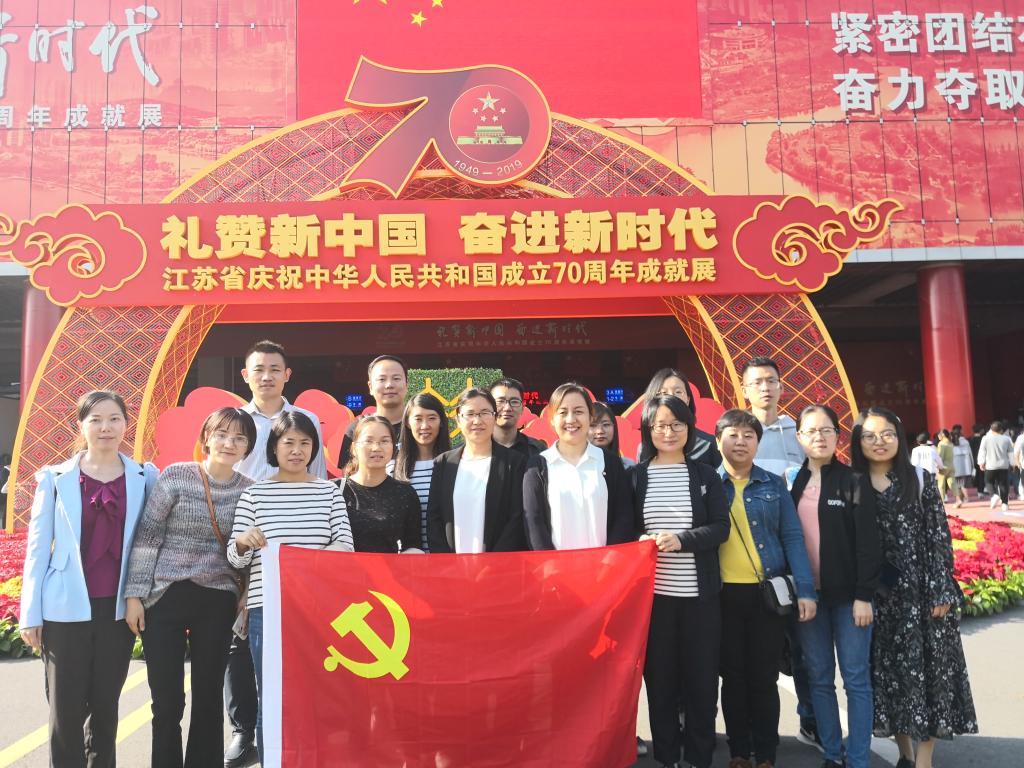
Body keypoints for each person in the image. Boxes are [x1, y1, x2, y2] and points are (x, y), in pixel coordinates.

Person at [19, 390, 159, 767]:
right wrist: (29, 614)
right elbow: (37, 549)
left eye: (114, 419)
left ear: (126, 424)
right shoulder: (55, 478)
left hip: (118, 609)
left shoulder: (145, 476)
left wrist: (142, 596)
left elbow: (152, 541)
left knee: (105, 705)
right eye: (95, 419)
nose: (105, 427)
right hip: (63, 609)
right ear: (81, 426)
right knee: (65, 709)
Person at [124, 407, 257, 768]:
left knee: (209, 696)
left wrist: (246, 594)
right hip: (165, 596)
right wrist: (134, 595)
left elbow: (249, 553)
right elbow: (148, 537)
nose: (229, 443)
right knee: (166, 701)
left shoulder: (250, 491)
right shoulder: (177, 476)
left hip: (217, 600)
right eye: (222, 434)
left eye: (239, 438)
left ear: (247, 447)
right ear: (206, 438)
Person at [850, 407, 977, 768]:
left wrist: (941, 589)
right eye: (869, 436)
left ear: (899, 438)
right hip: (879, 598)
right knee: (889, 678)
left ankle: (924, 758)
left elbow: (939, 537)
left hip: (922, 595)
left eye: (887, 434)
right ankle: (905, 753)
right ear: (858, 442)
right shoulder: (852, 483)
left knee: (932, 677)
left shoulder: (919, 480)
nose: (879, 442)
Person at [227, 410, 354, 762]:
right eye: (289, 443)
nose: (297, 451)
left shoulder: (329, 492)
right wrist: (243, 542)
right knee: (272, 694)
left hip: (318, 611)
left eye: (305, 443)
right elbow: (235, 559)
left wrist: (302, 563)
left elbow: (345, 546)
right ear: (274, 447)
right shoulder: (254, 495)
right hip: (266, 611)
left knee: (319, 692)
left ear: (314, 449)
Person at [226, 339, 327, 767]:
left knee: (301, 660)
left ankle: (302, 741)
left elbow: (317, 478)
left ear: (287, 375)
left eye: (274, 369)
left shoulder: (307, 421)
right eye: (258, 369)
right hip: (245, 536)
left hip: (297, 552)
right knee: (240, 642)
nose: (266, 376)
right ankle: (243, 729)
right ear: (245, 375)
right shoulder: (235, 420)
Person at [631, 394, 729, 768]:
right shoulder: (636, 476)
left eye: (677, 424)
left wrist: (682, 540)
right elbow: (624, 530)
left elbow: (720, 527)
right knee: (661, 685)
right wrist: (640, 540)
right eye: (660, 425)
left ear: (689, 428)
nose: (669, 432)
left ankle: (700, 757)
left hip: (701, 600)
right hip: (654, 602)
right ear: (648, 429)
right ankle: (668, 757)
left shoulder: (705, 475)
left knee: (702, 685)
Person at [715, 409, 816, 768]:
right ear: (718, 440)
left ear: (758, 442)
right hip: (721, 596)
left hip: (767, 596)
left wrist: (806, 589)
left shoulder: (773, 485)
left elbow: (792, 537)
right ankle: (739, 752)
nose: (741, 441)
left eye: (749, 435)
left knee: (763, 676)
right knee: (733, 677)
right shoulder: (707, 485)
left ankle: (766, 753)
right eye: (733, 434)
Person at [788, 405, 881, 768]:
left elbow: (869, 544)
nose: (820, 437)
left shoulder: (853, 480)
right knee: (819, 678)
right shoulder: (792, 482)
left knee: (856, 679)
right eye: (811, 431)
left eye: (827, 430)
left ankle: (857, 758)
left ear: (838, 436)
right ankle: (831, 753)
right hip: (808, 598)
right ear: (799, 437)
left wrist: (864, 596)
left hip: (849, 600)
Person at [740, 356, 817, 748]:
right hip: (756, 559)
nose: (765, 388)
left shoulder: (799, 433)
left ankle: (811, 719)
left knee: (805, 647)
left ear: (782, 387)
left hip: (798, 551)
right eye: (757, 382)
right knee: (760, 652)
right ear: (744, 390)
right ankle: (757, 730)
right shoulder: (739, 433)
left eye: (771, 381)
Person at [523, 383, 634, 550]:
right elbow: (533, 522)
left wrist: (608, 560)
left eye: (578, 411)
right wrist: (550, 562)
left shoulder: (609, 462)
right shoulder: (538, 466)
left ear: (590, 417)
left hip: (605, 564)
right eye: (563, 412)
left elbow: (623, 516)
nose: (571, 419)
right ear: (552, 419)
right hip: (555, 565)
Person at [426, 388, 527, 553]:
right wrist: (447, 562)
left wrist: (492, 563)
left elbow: (517, 519)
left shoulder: (514, 463)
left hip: (498, 564)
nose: (477, 420)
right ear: (458, 420)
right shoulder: (444, 463)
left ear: (495, 417)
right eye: (470, 414)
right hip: (451, 564)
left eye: (485, 413)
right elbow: (434, 518)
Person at [341, 415, 423, 553]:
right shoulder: (335, 491)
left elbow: (413, 545)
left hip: (389, 568)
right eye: (368, 441)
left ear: (393, 447)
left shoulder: (405, 494)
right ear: (354, 448)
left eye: (384, 441)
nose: (376, 448)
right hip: (344, 567)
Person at [392, 393, 452, 551]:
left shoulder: (455, 465)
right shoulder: (393, 468)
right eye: (418, 419)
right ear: (407, 422)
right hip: (408, 558)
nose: (425, 426)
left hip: (447, 558)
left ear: (441, 422)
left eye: (432, 418)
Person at [637, 368, 720, 467]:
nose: (672, 397)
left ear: (688, 400)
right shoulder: (645, 448)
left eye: (678, 392)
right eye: (663, 393)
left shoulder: (708, 444)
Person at [340, 355, 409, 467]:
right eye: (382, 379)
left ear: (406, 385)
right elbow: (348, 473)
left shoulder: (419, 427)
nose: (389, 385)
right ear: (370, 387)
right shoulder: (358, 429)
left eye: (396, 378)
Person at [489, 377, 547, 461]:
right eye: (500, 401)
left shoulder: (538, 451)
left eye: (514, 402)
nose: (507, 408)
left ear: (522, 408)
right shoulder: (474, 450)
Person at [977, 420, 1013, 512]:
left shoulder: (985, 438)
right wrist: (1013, 464)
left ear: (991, 429)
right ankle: (1005, 504)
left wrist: (981, 462)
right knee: (1003, 484)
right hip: (1004, 465)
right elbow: (1010, 453)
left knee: (988, 481)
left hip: (990, 465)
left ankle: (994, 495)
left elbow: (982, 451)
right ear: (1001, 430)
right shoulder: (1006, 439)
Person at [589, 400, 636, 468]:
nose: (600, 431)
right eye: (593, 425)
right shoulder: (575, 467)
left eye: (606, 425)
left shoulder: (628, 466)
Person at [950, 425, 974, 508]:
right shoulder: (966, 442)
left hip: (955, 466)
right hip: (965, 466)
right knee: (963, 483)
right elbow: (970, 454)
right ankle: (966, 498)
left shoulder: (950, 443)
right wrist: (972, 465)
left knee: (957, 484)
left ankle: (959, 499)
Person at [935, 430, 956, 504]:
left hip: (943, 467)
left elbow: (940, 457)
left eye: (939, 435)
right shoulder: (950, 443)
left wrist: (937, 466)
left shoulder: (941, 444)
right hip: (951, 466)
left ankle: (942, 500)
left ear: (942, 435)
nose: (938, 437)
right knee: (952, 483)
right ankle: (958, 498)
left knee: (941, 485)